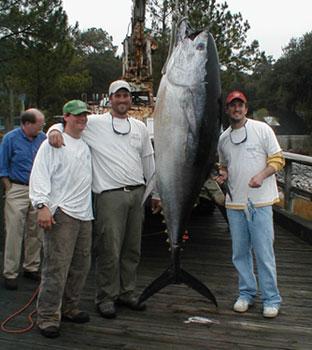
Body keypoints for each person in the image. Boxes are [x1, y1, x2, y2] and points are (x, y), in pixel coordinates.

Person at [48, 80, 161, 319]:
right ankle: (106, 296)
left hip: (137, 194)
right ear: (110, 99)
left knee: (132, 249)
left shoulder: (139, 127)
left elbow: (148, 161)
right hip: (109, 195)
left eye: (126, 96)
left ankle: (127, 292)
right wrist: (53, 131)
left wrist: (155, 193)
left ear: (131, 99)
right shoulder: (95, 124)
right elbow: (65, 124)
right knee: (108, 249)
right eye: (117, 96)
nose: (122, 100)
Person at [215, 91, 285, 318]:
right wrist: (223, 175)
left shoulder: (263, 129)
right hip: (234, 204)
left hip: (260, 202)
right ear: (227, 110)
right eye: (232, 106)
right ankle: (246, 293)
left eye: (240, 105)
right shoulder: (223, 138)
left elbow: (278, 159)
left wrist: (262, 176)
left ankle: (271, 298)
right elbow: (224, 165)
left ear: (246, 108)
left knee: (264, 253)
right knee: (240, 253)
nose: (236, 109)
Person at [29, 100, 93, 338]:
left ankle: (69, 307)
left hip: (85, 214)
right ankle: (46, 316)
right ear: (65, 117)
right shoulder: (52, 143)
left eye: (84, 115)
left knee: (81, 266)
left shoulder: (85, 143)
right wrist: (41, 206)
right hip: (62, 214)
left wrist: (53, 127)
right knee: (56, 267)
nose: (82, 119)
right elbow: (39, 175)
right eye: (76, 115)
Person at [0, 109, 46, 290]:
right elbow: (3, 165)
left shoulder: (42, 139)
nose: (42, 128)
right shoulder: (10, 139)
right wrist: (8, 188)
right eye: (39, 125)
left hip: (38, 189)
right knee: (13, 230)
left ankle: (31, 266)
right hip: (17, 187)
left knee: (36, 230)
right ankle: (10, 272)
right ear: (27, 124)